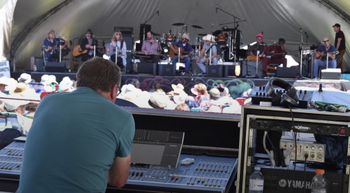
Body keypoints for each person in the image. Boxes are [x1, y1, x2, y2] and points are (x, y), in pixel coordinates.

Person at [16, 57, 135, 192]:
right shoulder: (123, 117)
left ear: (78, 84)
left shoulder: (47, 101)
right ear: (114, 90)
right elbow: (118, 180)